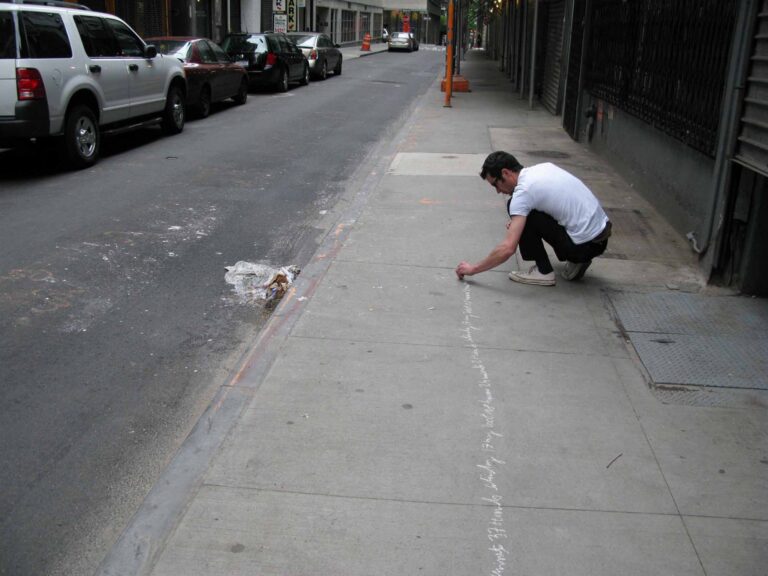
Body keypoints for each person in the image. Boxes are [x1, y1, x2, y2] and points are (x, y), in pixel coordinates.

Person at [455, 151, 611, 286]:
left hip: (582, 247)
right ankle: (579, 258)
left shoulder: (523, 193)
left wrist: (473, 269)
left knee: (517, 209)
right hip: (600, 239)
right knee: (524, 214)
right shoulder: (544, 168)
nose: (498, 191)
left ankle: (544, 271)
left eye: (495, 185)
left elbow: (508, 248)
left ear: (506, 173)